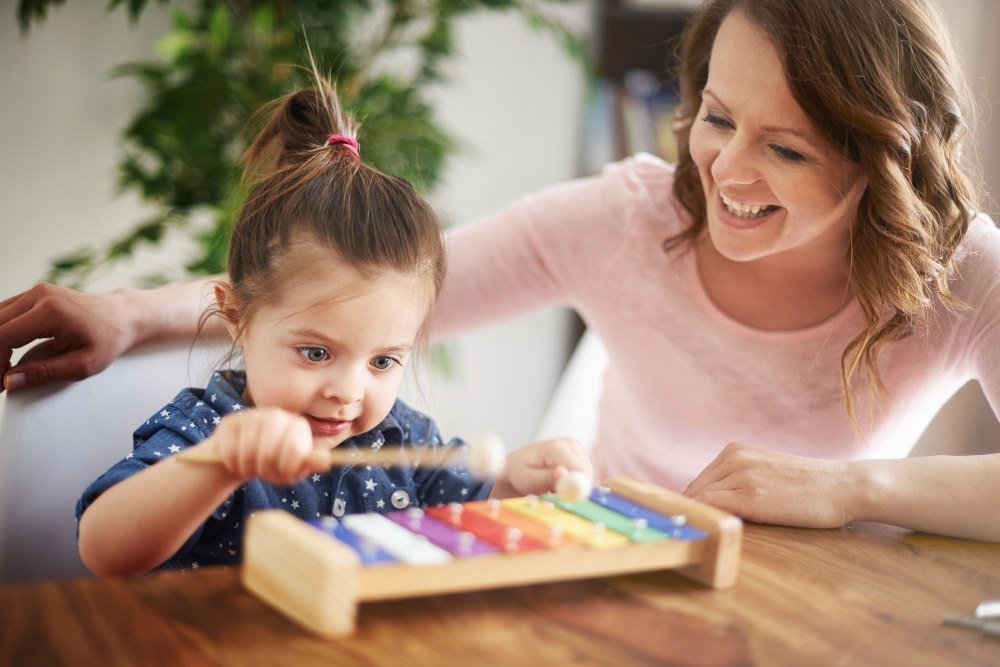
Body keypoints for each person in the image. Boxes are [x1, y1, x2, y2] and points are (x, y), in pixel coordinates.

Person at [2, 0, 998, 543]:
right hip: (612, 576)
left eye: (784, 148)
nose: (726, 171)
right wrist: (131, 314)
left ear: (885, 157)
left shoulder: (965, 274)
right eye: (718, 117)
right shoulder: (630, 216)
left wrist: (852, 488)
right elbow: (351, 289)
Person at [71, 78, 591, 576]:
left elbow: (472, 514)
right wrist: (217, 466)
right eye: (316, 353)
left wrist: (511, 481)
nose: (348, 391)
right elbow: (103, 549)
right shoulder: (206, 432)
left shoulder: (401, 440)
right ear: (236, 317)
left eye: (383, 361)